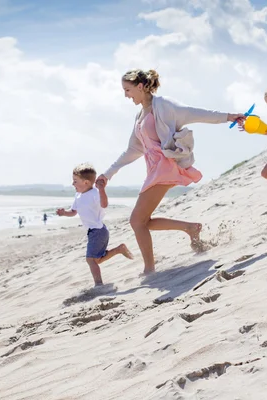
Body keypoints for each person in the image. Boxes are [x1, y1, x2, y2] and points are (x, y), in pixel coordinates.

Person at [95, 69, 245, 275]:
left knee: (136, 221)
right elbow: (133, 149)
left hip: (166, 166)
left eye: (127, 90)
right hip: (154, 168)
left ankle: (149, 268)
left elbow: (196, 113)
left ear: (140, 87)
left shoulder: (164, 105)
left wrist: (229, 116)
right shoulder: (140, 114)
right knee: (143, 221)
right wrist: (108, 173)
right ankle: (190, 228)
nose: (126, 95)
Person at [57, 163, 133, 286]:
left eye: (75, 181)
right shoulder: (78, 196)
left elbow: (104, 204)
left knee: (90, 259)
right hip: (94, 232)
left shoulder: (95, 193)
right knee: (96, 259)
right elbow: (73, 212)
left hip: (98, 231)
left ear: (86, 182)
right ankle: (119, 249)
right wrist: (64, 213)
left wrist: (102, 190)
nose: (72, 184)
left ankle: (99, 284)